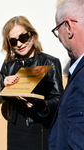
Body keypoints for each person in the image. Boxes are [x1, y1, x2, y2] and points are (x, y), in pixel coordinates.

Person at [0, 16, 63, 150]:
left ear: (32, 35)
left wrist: (40, 104)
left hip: (39, 126)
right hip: (15, 126)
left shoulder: (50, 62)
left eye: (23, 37)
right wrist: (5, 88)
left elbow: (58, 99)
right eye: (13, 41)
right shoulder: (9, 64)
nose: (19, 44)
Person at [49, 0, 84, 149]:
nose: (59, 37)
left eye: (58, 30)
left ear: (69, 27)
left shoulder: (81, 78)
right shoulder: (76, 69)